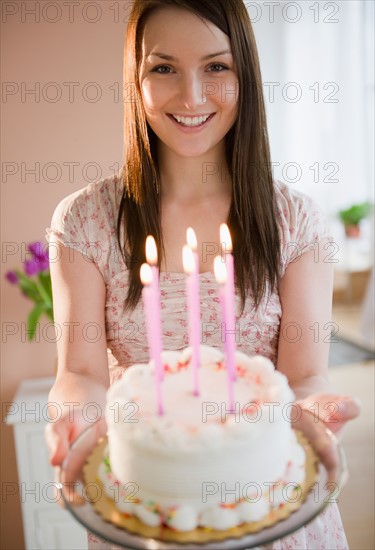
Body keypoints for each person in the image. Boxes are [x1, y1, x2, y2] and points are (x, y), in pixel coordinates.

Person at [45, 1, 360, 548]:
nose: (191, 96)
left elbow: (304, 377)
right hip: (146, 507)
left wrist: (314, 408)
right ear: (135, 79)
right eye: (163, 68)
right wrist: (73, 417)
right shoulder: (84, 221)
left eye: (217, 67)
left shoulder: (296, 221)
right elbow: (81, 371)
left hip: (267, 501)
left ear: (246, 75)